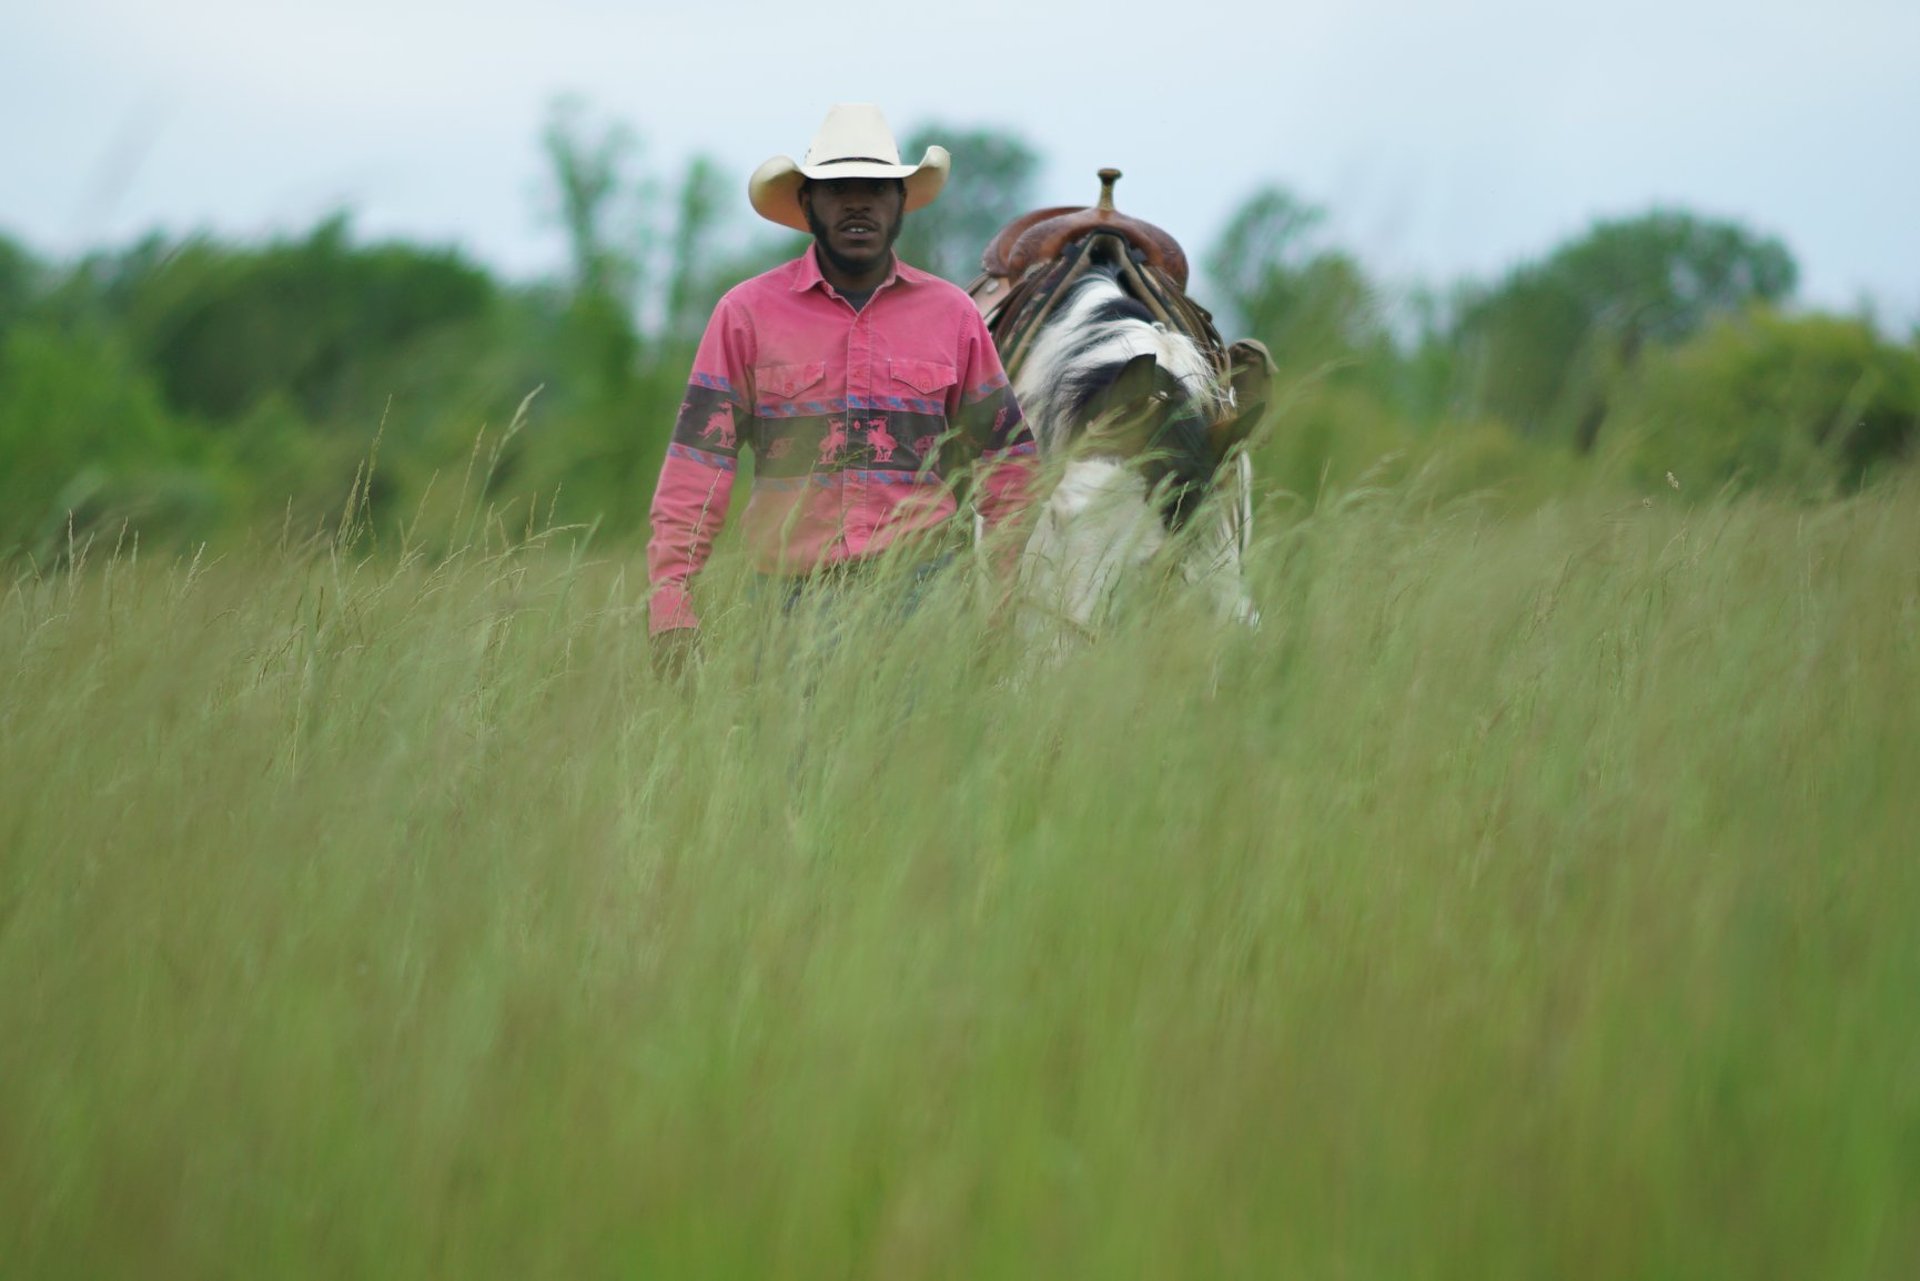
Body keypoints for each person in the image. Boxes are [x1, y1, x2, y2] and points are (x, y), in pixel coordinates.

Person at [645, 104, 1035, 679]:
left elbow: (1010, 469)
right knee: (786, 767)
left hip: (926, 598)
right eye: (837, 188)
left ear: (900, 204)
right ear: (807, 204)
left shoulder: (952, 315)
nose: (858, 202)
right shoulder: (745, 315)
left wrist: (1000, 599)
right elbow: (696, 468)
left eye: (877, 188)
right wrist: (670, 602)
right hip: (785, 605)